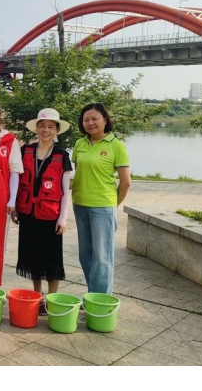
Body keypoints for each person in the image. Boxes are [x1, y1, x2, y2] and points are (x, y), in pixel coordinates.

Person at [13, 108, 72, 309]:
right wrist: (14, 206)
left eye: (50, 127)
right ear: (36, 128)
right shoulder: (25, 151)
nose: (46, 130)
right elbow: (18, 181)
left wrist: (63, 218)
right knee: (33, 257)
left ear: (56, 131)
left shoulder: (62, 156)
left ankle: (51, 299)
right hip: (28, 213)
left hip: (51, 215)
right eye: (42, 126)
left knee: (52, 259)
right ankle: (37, 297)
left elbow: (66, 191)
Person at [72, 103, 131, 295]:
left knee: (102, 256)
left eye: (94, 119)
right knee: (85, 255)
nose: (90, 123)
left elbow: (125, 182)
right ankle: (93, 295)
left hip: (103, 207)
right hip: (80, 204)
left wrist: (112, 205)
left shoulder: (116, 145)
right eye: (86, 119)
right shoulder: (80, 144)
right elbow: (79, 171)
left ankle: (101, 301)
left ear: (105, 119)